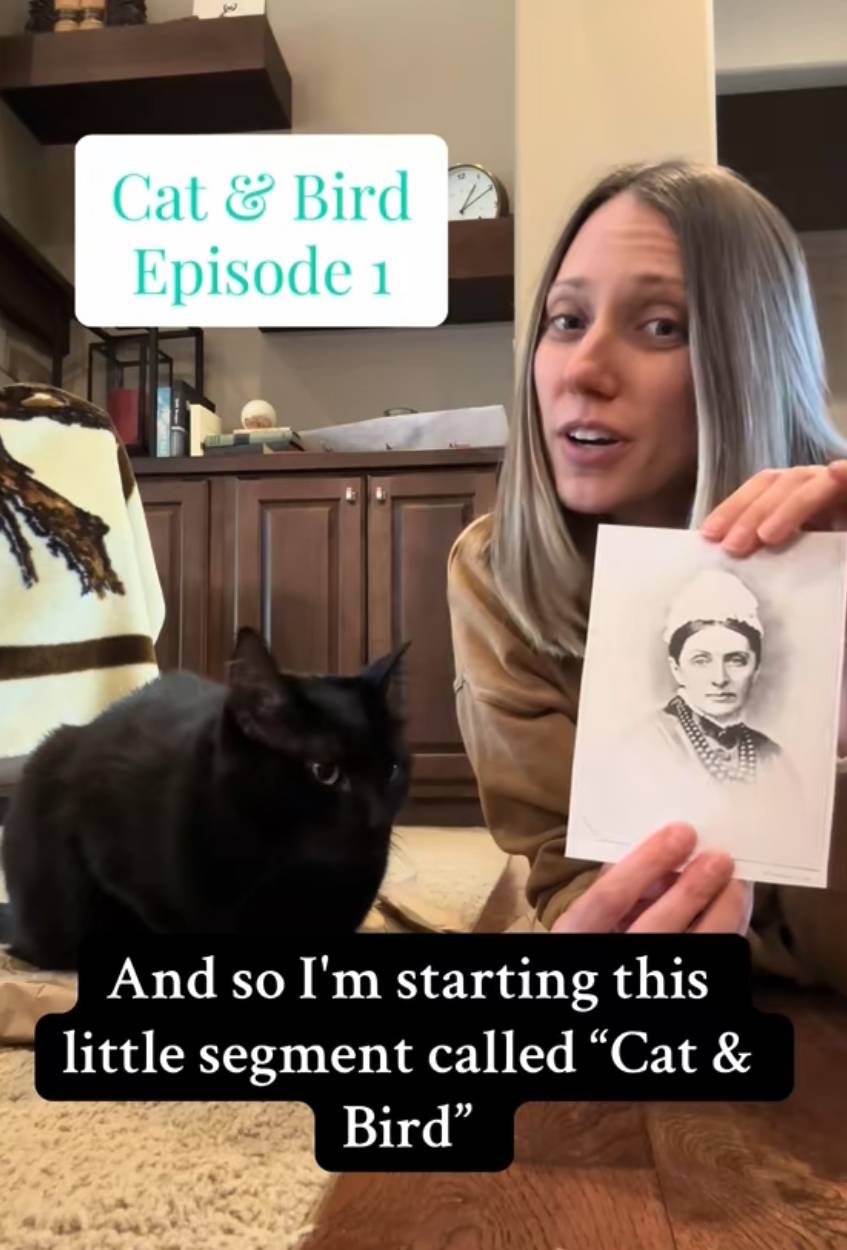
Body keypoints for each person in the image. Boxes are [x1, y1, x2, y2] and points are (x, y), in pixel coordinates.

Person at [447, 159, 847, 992]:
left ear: (751, 355)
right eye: (564, 320)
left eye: (660, 326)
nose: (581, 370)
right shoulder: (500, 571)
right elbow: (564, 870)